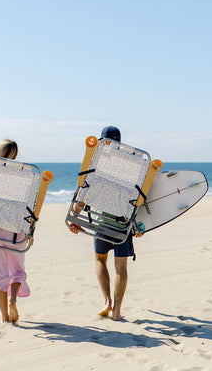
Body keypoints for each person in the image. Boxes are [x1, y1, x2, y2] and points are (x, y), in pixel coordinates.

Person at [69, 126, 142, 321]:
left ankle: (107, 302)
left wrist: (74, 218)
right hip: (122, 223)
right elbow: (139, 198)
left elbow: (83, 194)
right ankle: (117, 311)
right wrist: (140, 225)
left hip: (101, 222)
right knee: (121, 267)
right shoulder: (134, 166)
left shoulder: (96, 164)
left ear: (102, 142)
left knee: (100, 260)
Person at [0, 139, 31, 323]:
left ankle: (5, 318)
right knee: (18, 271)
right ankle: (13, 300)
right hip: (15, 232)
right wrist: (30, 232)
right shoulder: (26, 176)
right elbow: (29, 208)